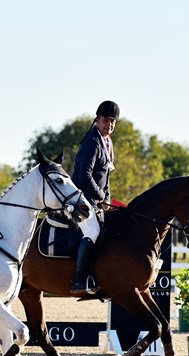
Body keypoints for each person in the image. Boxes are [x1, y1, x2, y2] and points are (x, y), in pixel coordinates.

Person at [70, 100, 120, 294]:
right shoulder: (92, 142)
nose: (109, 125)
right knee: (92, 232)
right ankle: (79, 279)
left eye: (113, 122)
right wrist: (100, 196)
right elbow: (84, 176)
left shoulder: (107, 142)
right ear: (97, 120)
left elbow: (105, 176)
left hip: (96, 199)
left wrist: (107, 197)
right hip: (80, 197)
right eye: (106, 121)